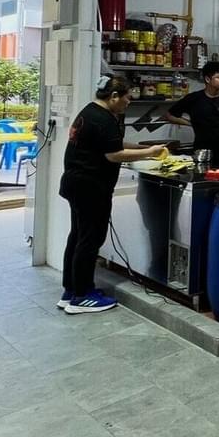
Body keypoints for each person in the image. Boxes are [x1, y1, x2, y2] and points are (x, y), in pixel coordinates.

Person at [59, 75, 166, 314]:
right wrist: (149, 151)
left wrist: (139, 148)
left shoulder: (90, 112)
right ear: (114, 96)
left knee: (78, 236)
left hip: (76, 184)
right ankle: (82, 296)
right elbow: (113, 155)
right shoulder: (103, 119)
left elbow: (110, 144)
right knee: (90, 240)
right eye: (127, 98)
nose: (129, 102)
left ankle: (71, 290)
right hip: (90, 187)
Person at [165, 61, 219, 166]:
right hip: (201, 154)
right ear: (207, 79)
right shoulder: (194, 99)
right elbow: (169, 115)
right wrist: (190, 123)